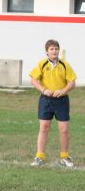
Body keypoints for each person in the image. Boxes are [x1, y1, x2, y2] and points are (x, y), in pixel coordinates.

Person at [29, 39, 76, 168]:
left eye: (56, 49)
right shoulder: (42, 64)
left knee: (64, 129)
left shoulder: (65, 65)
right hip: (46, 100)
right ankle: (39, 156)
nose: (54, 51)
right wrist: (44, 90)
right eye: (51, 49)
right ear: (47, 52)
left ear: (58, 51)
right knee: (44, 127)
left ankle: (65, 156)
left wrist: (63, 91)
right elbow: (33, 80)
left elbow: (72, 82)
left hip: (62, 101)